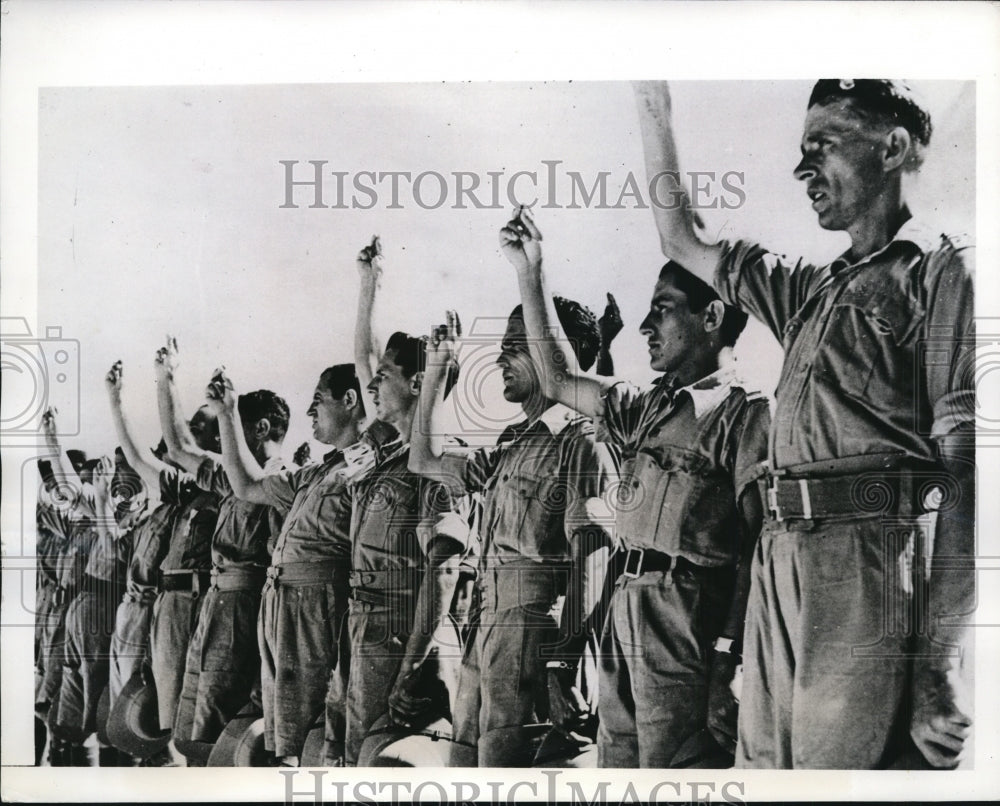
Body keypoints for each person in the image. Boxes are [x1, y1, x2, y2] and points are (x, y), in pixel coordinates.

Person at [632, 80, 975, 769]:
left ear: (893, 147)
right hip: (780, 561)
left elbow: (972, 476)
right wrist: (653, 107)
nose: (801, 169)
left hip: (868, 563)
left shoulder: (947, 272)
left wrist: (938, 661)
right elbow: (682, 237)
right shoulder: (809, 289)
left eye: (822, 146)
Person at [501, 206, 767, 767]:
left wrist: (730, 658)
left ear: (712, 314)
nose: (646, 326)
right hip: (625, 616)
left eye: (662, 310)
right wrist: (532, 271)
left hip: (687, 627)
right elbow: (555, 379)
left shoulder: (744, 417)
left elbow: (757, 548)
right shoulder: (645, 410)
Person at [409, 272, 619, 765]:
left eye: (517, 346)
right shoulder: (509, 445)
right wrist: (438, 370)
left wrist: (564, 662)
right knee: (468, 770)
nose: (501, 357)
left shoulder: (581, 440)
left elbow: (590, 560)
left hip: (537, 637)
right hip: (487, 634)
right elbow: (425, 458)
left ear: (555, 351)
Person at [207, 361, 389, 767]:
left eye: (318, 401)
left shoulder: (367, 464)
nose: (310, 412)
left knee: (313, 741)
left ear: (350, 400)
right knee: (286, 738)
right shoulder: (316, 473)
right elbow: (247, 485)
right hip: (284, 610)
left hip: (318, 612)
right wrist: (226, 413)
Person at [346, 236, 470, 766]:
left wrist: (411, 665)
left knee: (381, 765)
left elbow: (442, 573)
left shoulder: (440, 463)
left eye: (386, 377)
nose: (371, 384)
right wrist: (370, 286)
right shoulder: (390, 454)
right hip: (367, 628)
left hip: (399, 636)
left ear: (418, 382)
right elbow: (364, 360)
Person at [156, 340, 290, 764]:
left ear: (262, 430)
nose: (219, 439)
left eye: (232, 427)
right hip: (216, 606)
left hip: (244, 608)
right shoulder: (232, 476)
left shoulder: (280, 479)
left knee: (221, 730)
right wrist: (166, 380)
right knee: (194, 730)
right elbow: (179, 448)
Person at [150, 343, 222, 762]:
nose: (188, 432)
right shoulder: (188, 491)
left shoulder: (225, 482)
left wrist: (167, 380)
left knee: (190, 731)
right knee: (171, 727)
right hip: (172, 604)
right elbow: (164, 451)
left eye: (200, 426)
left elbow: (179, 446)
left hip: (197, 605)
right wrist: (165, 380)